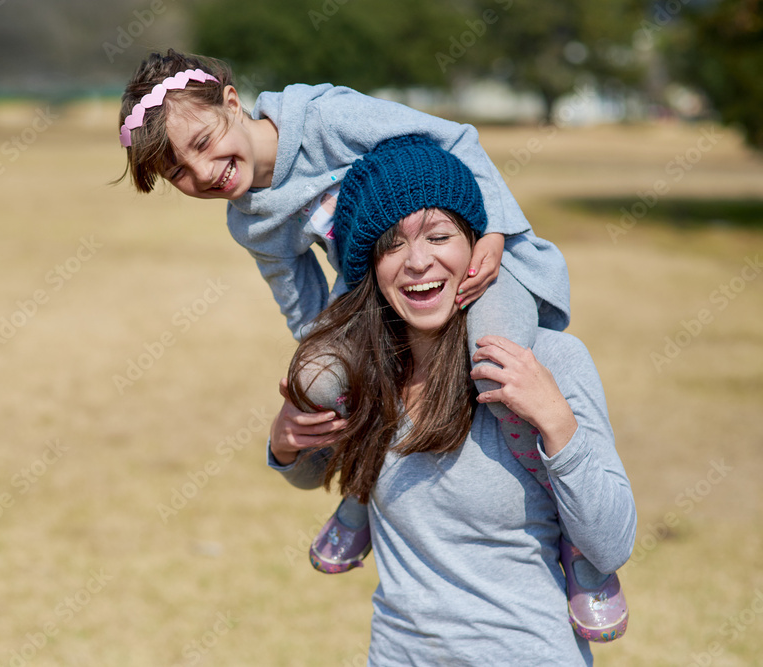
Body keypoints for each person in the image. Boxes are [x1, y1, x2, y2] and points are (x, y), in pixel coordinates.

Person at [117, 49, 577, 573]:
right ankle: (362, 494)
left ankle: (573, 530)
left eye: (203, 142)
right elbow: (307, 309)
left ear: (230, 101)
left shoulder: (326, 118)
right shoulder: (251, 223)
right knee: (318, 376)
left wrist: (493, 230)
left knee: (497, 363)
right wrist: (340, 378)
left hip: (476, 265)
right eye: (178, 170)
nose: (203, 171)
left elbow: (455, 140)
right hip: (386, 299)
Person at [268, 135, 637, 664]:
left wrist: (557, 421)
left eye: (439, 235)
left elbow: (611, 544)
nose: (418, 262)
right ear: (370, 268)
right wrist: (284, 445)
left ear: (478, 248)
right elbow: (312, 473)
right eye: (392, 245)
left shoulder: (551, 361)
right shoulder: (367, 376)